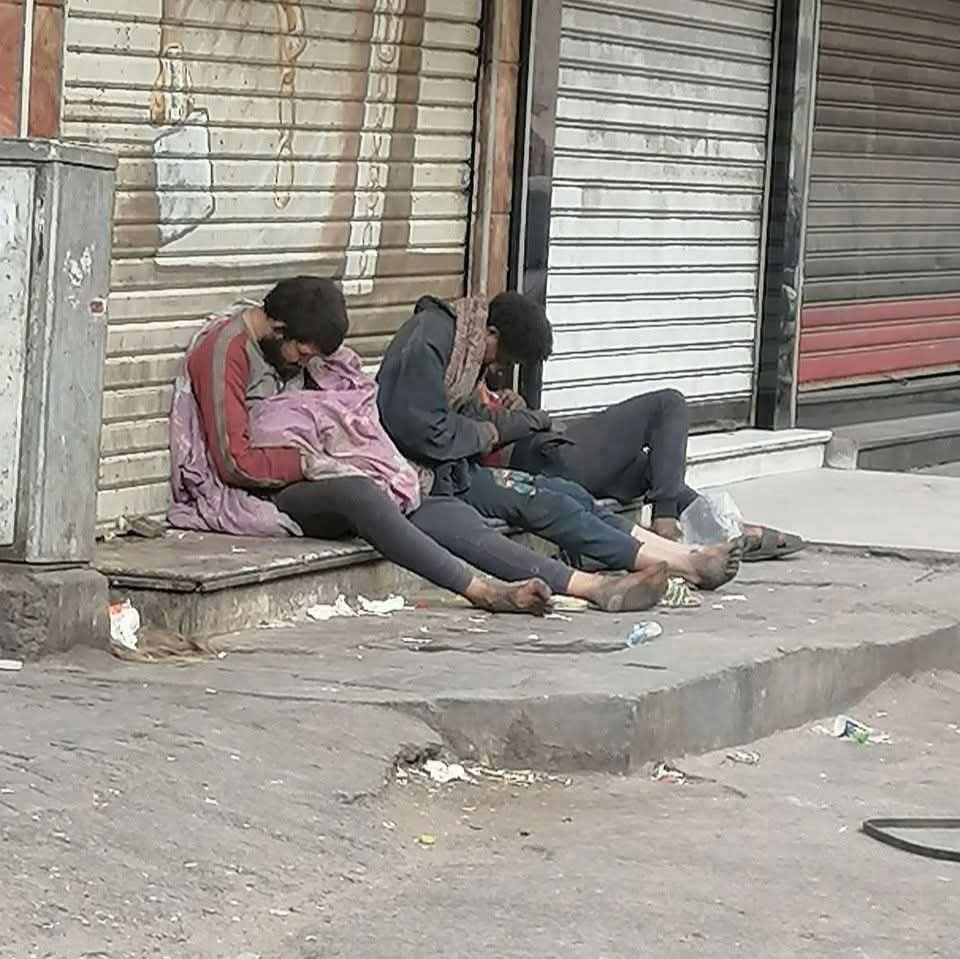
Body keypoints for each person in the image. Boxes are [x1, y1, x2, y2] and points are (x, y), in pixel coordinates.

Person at [169, 275, 673, 616]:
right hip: (274, 489)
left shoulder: (289, 348)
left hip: (329, 464)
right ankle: (482, 592)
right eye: (302, 351)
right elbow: (234, 462)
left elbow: (340, 399)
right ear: (278, 328)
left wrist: (347, 442)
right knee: (361, 494)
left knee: (435, 508)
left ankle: (589, 587)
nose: (304, 362)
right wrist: (313, 462)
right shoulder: (225, 351)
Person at [375, 292, 741, 588]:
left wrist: (509, 418)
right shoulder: (431, 340)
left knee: (567, 497)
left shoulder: (464, 350)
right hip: (424, 476)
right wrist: (498, 430)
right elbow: (425, 432)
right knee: (550, 503)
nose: (500, 370)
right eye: (505, 360)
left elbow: (462, 416)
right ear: (492, 334)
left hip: (454, 471)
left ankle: (684, 556)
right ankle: (682, 562)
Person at [483, 382, 804, 561]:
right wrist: (529, 418)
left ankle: (722, 529)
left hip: (550, 453)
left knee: (653, 467)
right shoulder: (461, 382)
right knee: (669, 404)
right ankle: (668, 521)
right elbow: (482, 432)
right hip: (541, 457)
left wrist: (515, 404)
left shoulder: (480, 375)